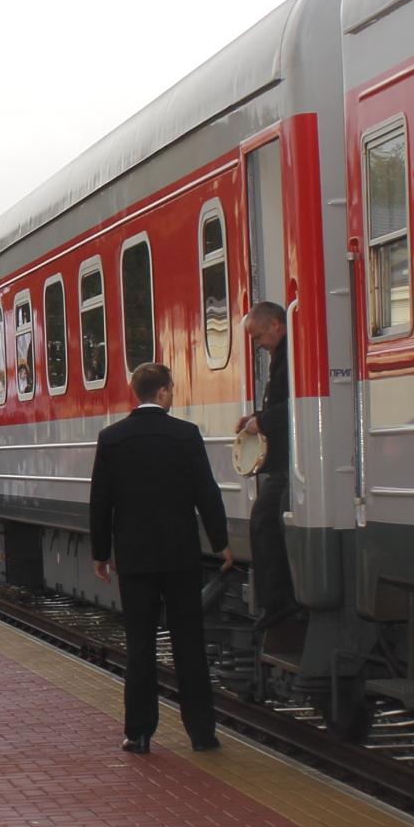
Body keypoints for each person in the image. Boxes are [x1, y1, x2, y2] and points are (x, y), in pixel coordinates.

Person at [88, 359, 234, 754]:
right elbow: (207, 492)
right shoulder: (185, 435)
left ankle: (138, 733)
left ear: (137, 393)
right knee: (189, 643)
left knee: (140, 644)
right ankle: (202, 734)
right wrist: (220, 542)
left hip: (135, 559)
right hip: (180, 557)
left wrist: (100, 553)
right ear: (164, 391)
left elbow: (101, 502)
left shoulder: (112, 438)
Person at [235, 300, 299, 625]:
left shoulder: (291, 354)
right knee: (266, 523)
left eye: (259, 336)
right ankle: (278, 603)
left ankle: (279, 605)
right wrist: (256, 417)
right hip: (287, 461)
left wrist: (261, 421)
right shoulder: (285, 353)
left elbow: (296, 404)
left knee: (264, 523)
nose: (258, 344)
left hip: (290, 461)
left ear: (276, 324)